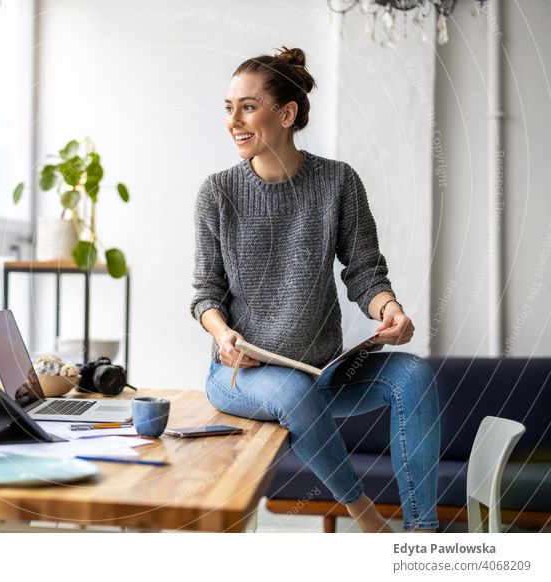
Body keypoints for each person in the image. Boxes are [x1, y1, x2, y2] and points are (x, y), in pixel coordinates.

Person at [190, 46, 440, 533]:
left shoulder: (338, 182)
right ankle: (365, 517)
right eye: (229, 108)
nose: (234, 121)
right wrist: (222, 335)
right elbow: (205, 293)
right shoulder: (216, 193)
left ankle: (421, 536)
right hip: (242, 375)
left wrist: (389, 308)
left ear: (286, 114)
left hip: (323, 373)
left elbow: (364, 270)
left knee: (415, 377)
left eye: (247, 106)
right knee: (290, 389)